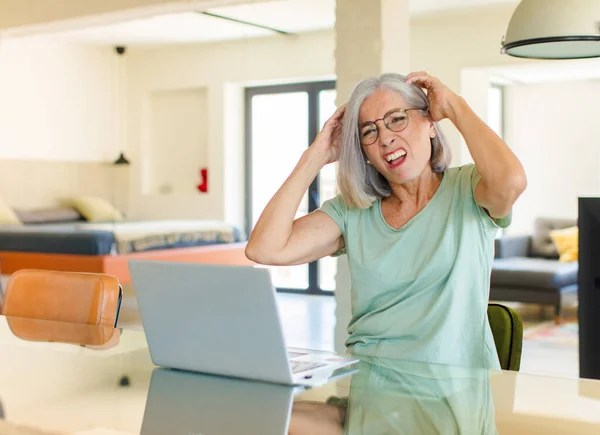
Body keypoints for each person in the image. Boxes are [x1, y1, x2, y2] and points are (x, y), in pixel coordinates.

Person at [245, 71, 526, 370]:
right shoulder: (353, 210)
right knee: (269, 413)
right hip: (369, 385)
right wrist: (315, 155)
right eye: (369, 131)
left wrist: (454, 106)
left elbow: (510, 181)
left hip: (452, 392)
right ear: (364, 152)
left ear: (430, 123)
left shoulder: (468, 188)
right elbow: (264, 249)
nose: (386, 138)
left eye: (397, 119)